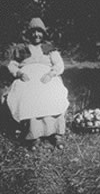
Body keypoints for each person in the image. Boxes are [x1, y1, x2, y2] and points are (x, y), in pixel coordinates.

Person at [6, 17, 69, 150]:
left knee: (53, 92)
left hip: (46, 77)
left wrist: (51, 74)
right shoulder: (21, 49)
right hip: (27, 78)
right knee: (27, 94)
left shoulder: (49, 48)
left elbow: (59, 64)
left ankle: (57, 134)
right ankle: (34, 135)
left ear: (43, 33)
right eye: (33, 32)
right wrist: (20, 74)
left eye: (39, 31)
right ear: (29, 34)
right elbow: (12, 65)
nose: (36, 35)